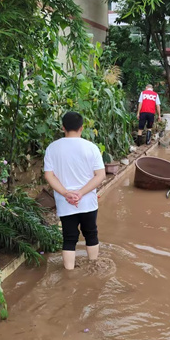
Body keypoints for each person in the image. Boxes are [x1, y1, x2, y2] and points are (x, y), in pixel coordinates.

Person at [44, 112, 106, 270]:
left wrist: (66, 193)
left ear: (63, 127)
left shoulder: (52, 148)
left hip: (65, 203)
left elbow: (49, 175)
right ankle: (93, 266)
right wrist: (81, 193)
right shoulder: (91, 147)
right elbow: (100, 175)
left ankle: (69, 274)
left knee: (69, 238)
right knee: (91, 233)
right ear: (82, 128)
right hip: (87, 202)